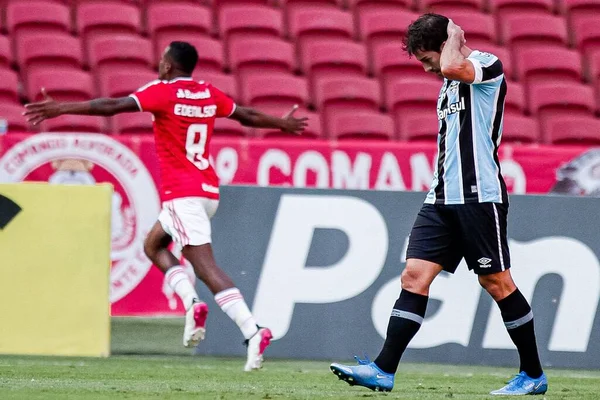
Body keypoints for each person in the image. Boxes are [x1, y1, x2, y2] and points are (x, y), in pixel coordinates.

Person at [24, 41, 308, 371]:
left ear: (169, 66)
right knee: (154, 244)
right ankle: (191, 303)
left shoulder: (162, 90)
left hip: (182, 194)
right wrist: (282, 124)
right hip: (206, 191)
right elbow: (247, 115)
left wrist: (62, 109)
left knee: (205, 267)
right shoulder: (207, 92)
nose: (159, 64)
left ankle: (252, 329)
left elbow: (113, 105)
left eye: (162, 59)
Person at [330, 14, 548, 395]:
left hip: (479, 197)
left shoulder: (485, 65)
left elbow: (450, 63)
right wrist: (443, 48)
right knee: (414, 276)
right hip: (441, 198)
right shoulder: (448, 82)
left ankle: (533, 375)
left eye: (426, 59)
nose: (429, 68)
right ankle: (383, 370)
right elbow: (447, 71)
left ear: (447, 44)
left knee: (496, 282)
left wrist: (452, 34)